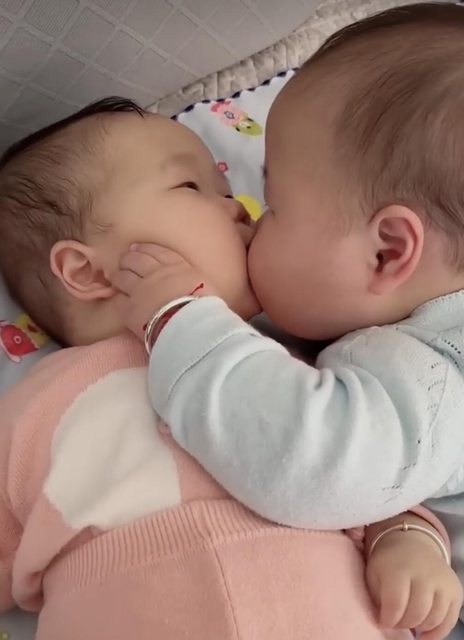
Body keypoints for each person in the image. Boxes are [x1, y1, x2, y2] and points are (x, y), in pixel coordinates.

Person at [0, 99, 458, 639]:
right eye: (191, 187)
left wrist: (406, 539)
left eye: (225, 189)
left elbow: (367, 471)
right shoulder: (35, 406)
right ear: (87, 270)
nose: (240, 207)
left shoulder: (288, 360)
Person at [112, 1, 464, 634]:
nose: (247, 214)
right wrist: (406, 532)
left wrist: (181, 320)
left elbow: (313, 465)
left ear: (387, 252)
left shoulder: (436, 368)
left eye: (273, 204)